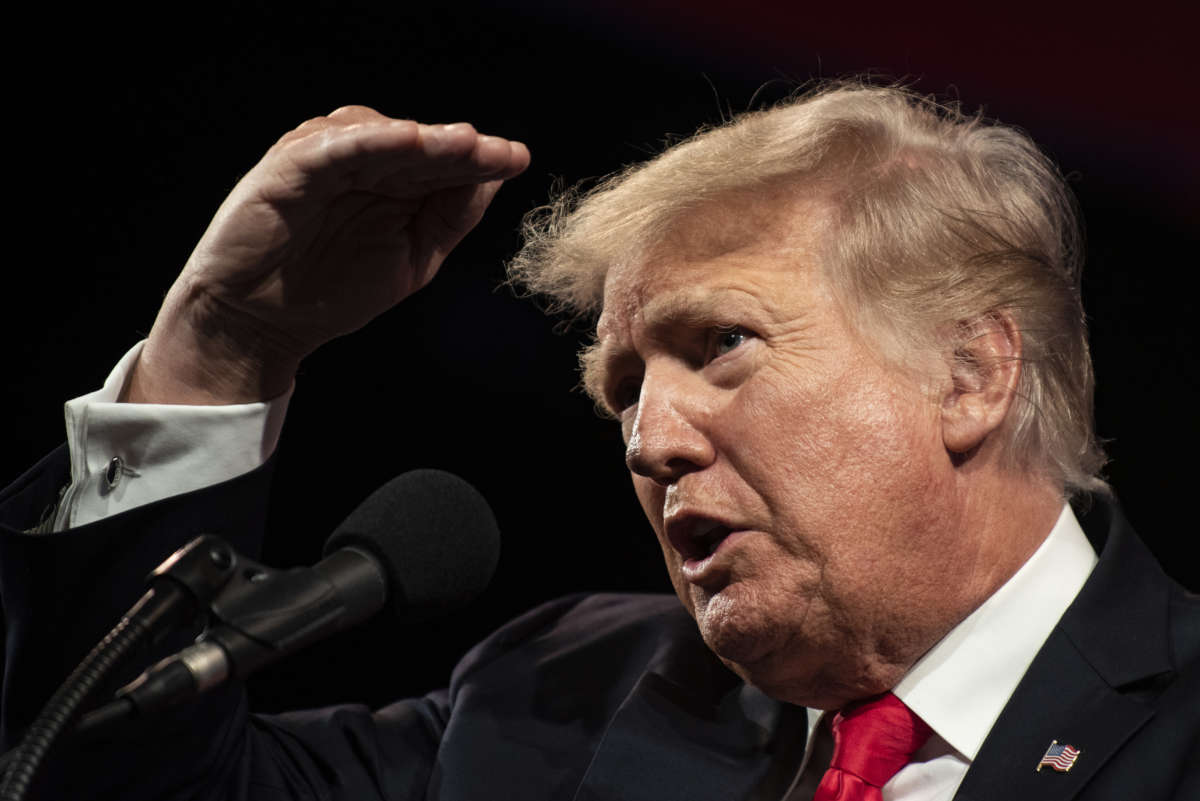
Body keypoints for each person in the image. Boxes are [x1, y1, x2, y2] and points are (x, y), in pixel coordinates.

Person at [1, 86, 1196, 800]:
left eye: (721, 343)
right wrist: (217, 355)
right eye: (624, 388)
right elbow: (97, 781)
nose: (650, 440)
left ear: (970, 374)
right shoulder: (556, 697)